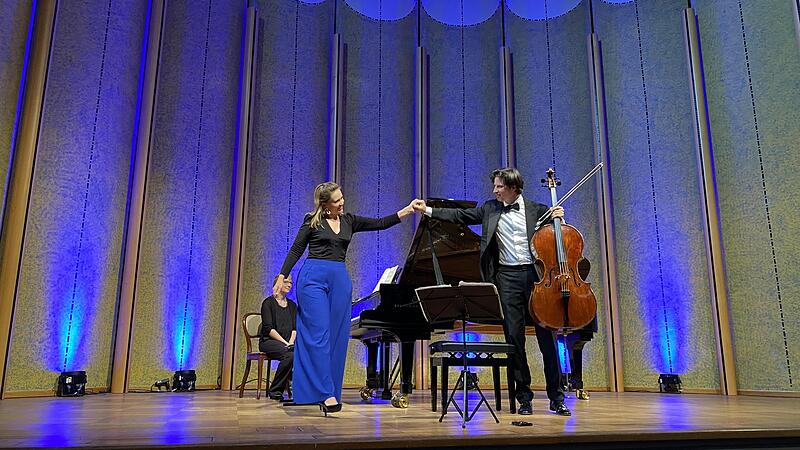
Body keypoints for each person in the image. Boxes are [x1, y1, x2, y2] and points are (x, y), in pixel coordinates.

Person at [412, 167, 572, 416]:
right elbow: (460, 215)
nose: (494, 190)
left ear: (513, 188)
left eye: (499, 186)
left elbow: (558, 236)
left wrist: (560, 218)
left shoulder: (538, 210)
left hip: (537, 277)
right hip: (507, 278)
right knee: (514, 339)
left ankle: (557, 397)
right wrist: (428, 210)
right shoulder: (490, 208)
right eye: (495, 186)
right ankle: (524, 398)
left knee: (547, 339)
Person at [273, 181, 417, 414]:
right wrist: (282, 275)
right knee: (319, 334)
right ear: (325, 204)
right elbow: (296, 249)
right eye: (337, 200)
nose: (342, 203)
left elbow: (380, 223)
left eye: (342, 198)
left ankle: (325, 390)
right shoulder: (312, 221)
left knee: (337, 337)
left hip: (339, 279)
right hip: (313, 278)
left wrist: (408, 210)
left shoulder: (349, 220)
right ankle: (325, 393)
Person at [259, 275, 297, 401]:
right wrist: (286, 343)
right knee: (290, 355)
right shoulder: (268, 303)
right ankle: (275, 390)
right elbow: (269, 329)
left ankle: (301, 389)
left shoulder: (292, 306)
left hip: (288, 342)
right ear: (278, 283)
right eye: (286, 281)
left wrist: (290, 342)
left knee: (300, 353)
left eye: (291, 282)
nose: (289, 285)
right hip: (269, 341)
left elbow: (295, 328)